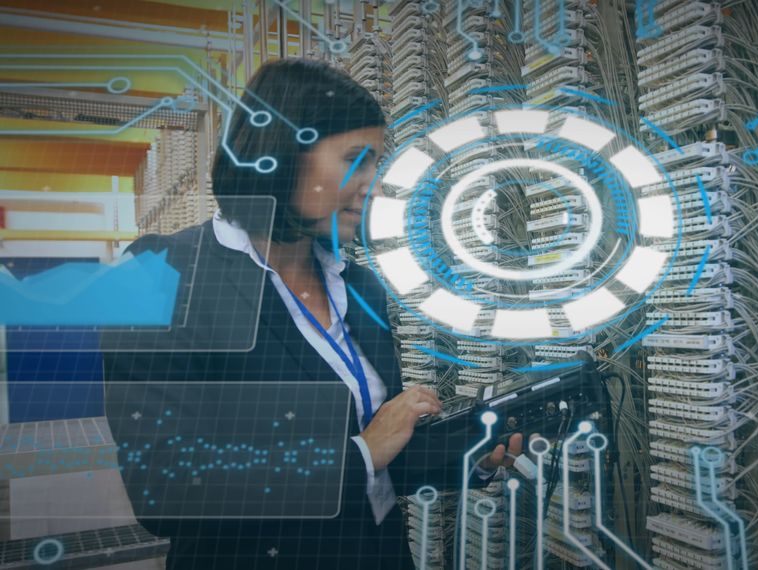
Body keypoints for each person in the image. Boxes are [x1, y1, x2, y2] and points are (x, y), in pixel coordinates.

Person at [103, 58, 522, 569]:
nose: (373, 183)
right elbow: (164, 490)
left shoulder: (358, 286)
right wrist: (364, 451)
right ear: (281, 155)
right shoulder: (162, 276)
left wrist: (468, 456)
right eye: (355, 160)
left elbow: (379, 461)